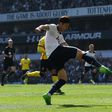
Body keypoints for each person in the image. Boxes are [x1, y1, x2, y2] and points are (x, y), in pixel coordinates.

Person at [35, 16, 112, 105]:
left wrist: (74, 54)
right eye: (66, 26)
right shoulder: (53, 27)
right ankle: (100, 67)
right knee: (81, 53)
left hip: (53, 58)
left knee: (63, 79)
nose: (67, 28)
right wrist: (39, 28)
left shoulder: (60, 35)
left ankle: (48, 95)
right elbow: (44, 26)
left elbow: (65, 45)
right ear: (61, 24)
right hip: (56, 52)